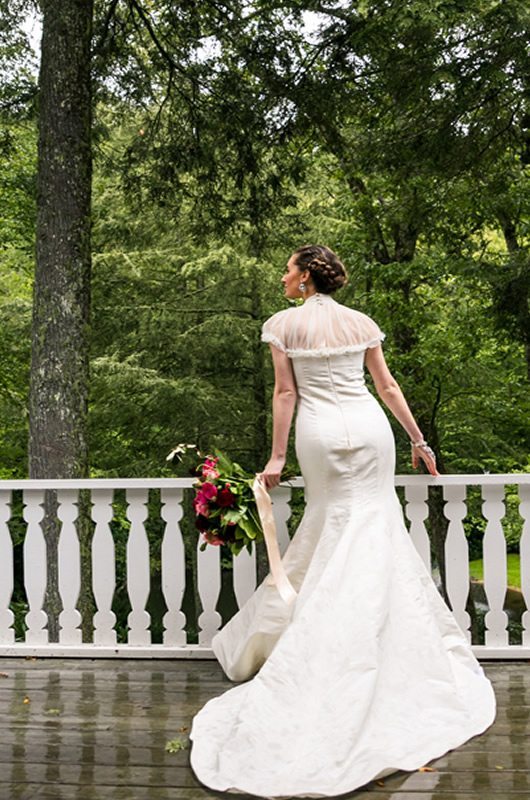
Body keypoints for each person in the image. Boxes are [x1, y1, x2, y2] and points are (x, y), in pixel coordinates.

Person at [189, 244, 496, 798]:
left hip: (322, 435)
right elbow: (388, 387)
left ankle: (332, 640)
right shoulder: (361, 323)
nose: (284, 277)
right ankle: (380, 639)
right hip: (371, 430)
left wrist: (277, 457)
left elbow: (287, 392)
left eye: (288, 268)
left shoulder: (283, 325)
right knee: (373, 527)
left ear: (305, 276)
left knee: (337, 523)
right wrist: (418, 442)